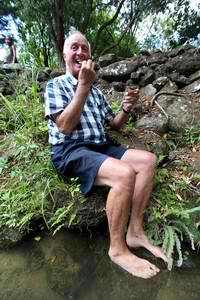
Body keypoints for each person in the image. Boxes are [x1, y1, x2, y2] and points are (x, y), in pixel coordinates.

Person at [45, 31, 168, 279]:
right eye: (74, 48)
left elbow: (115, 125)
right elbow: (65, 127)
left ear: (89, 55)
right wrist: (83, 85)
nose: (80, 52)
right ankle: (117, 249)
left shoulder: (98, 92)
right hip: (71, 150)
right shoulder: (55, 86)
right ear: (65, 54)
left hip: (101, 146)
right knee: (124, 174)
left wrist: (125, 108)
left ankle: (134, 231)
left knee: (147, 161)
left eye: (84, 49)